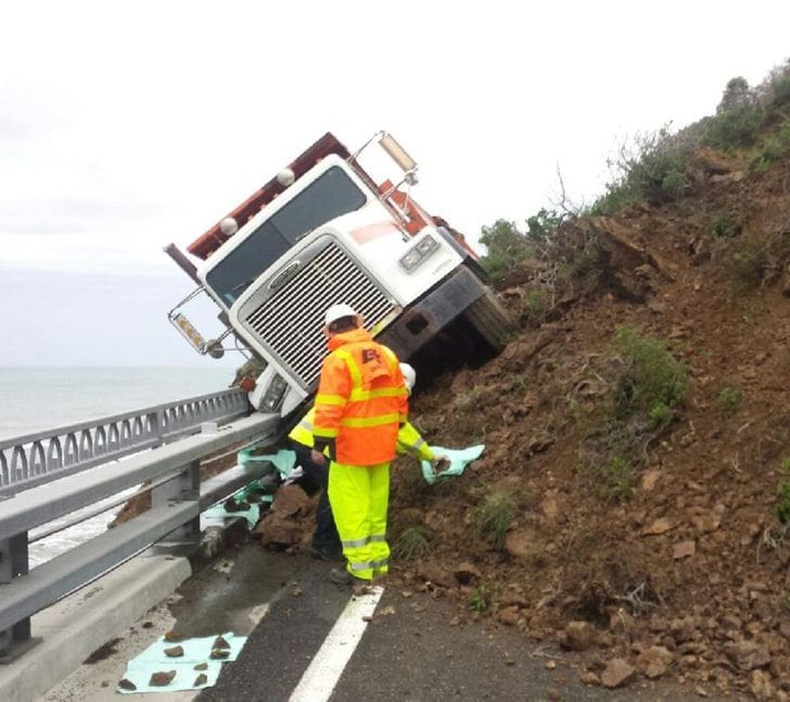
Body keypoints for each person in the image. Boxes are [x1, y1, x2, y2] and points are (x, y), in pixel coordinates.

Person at [288, 362, 447, 563]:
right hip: (314, 443)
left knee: (335, 492)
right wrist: (429, 456)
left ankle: (327, 542)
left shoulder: (369, 384)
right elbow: (400, 431)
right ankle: (324, 545)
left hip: (312, 441)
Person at [311, 303, 408, 585]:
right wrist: (396, 427)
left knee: (351, 510)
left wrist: (319, 445)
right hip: (382, 447)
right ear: (359, 321)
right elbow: (400, 397)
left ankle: (360, 568)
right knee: (377, 507)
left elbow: (329, 407)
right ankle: (379, 562)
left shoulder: (337, 360)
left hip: (351, 449)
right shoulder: (386, 354)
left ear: (328, 331)